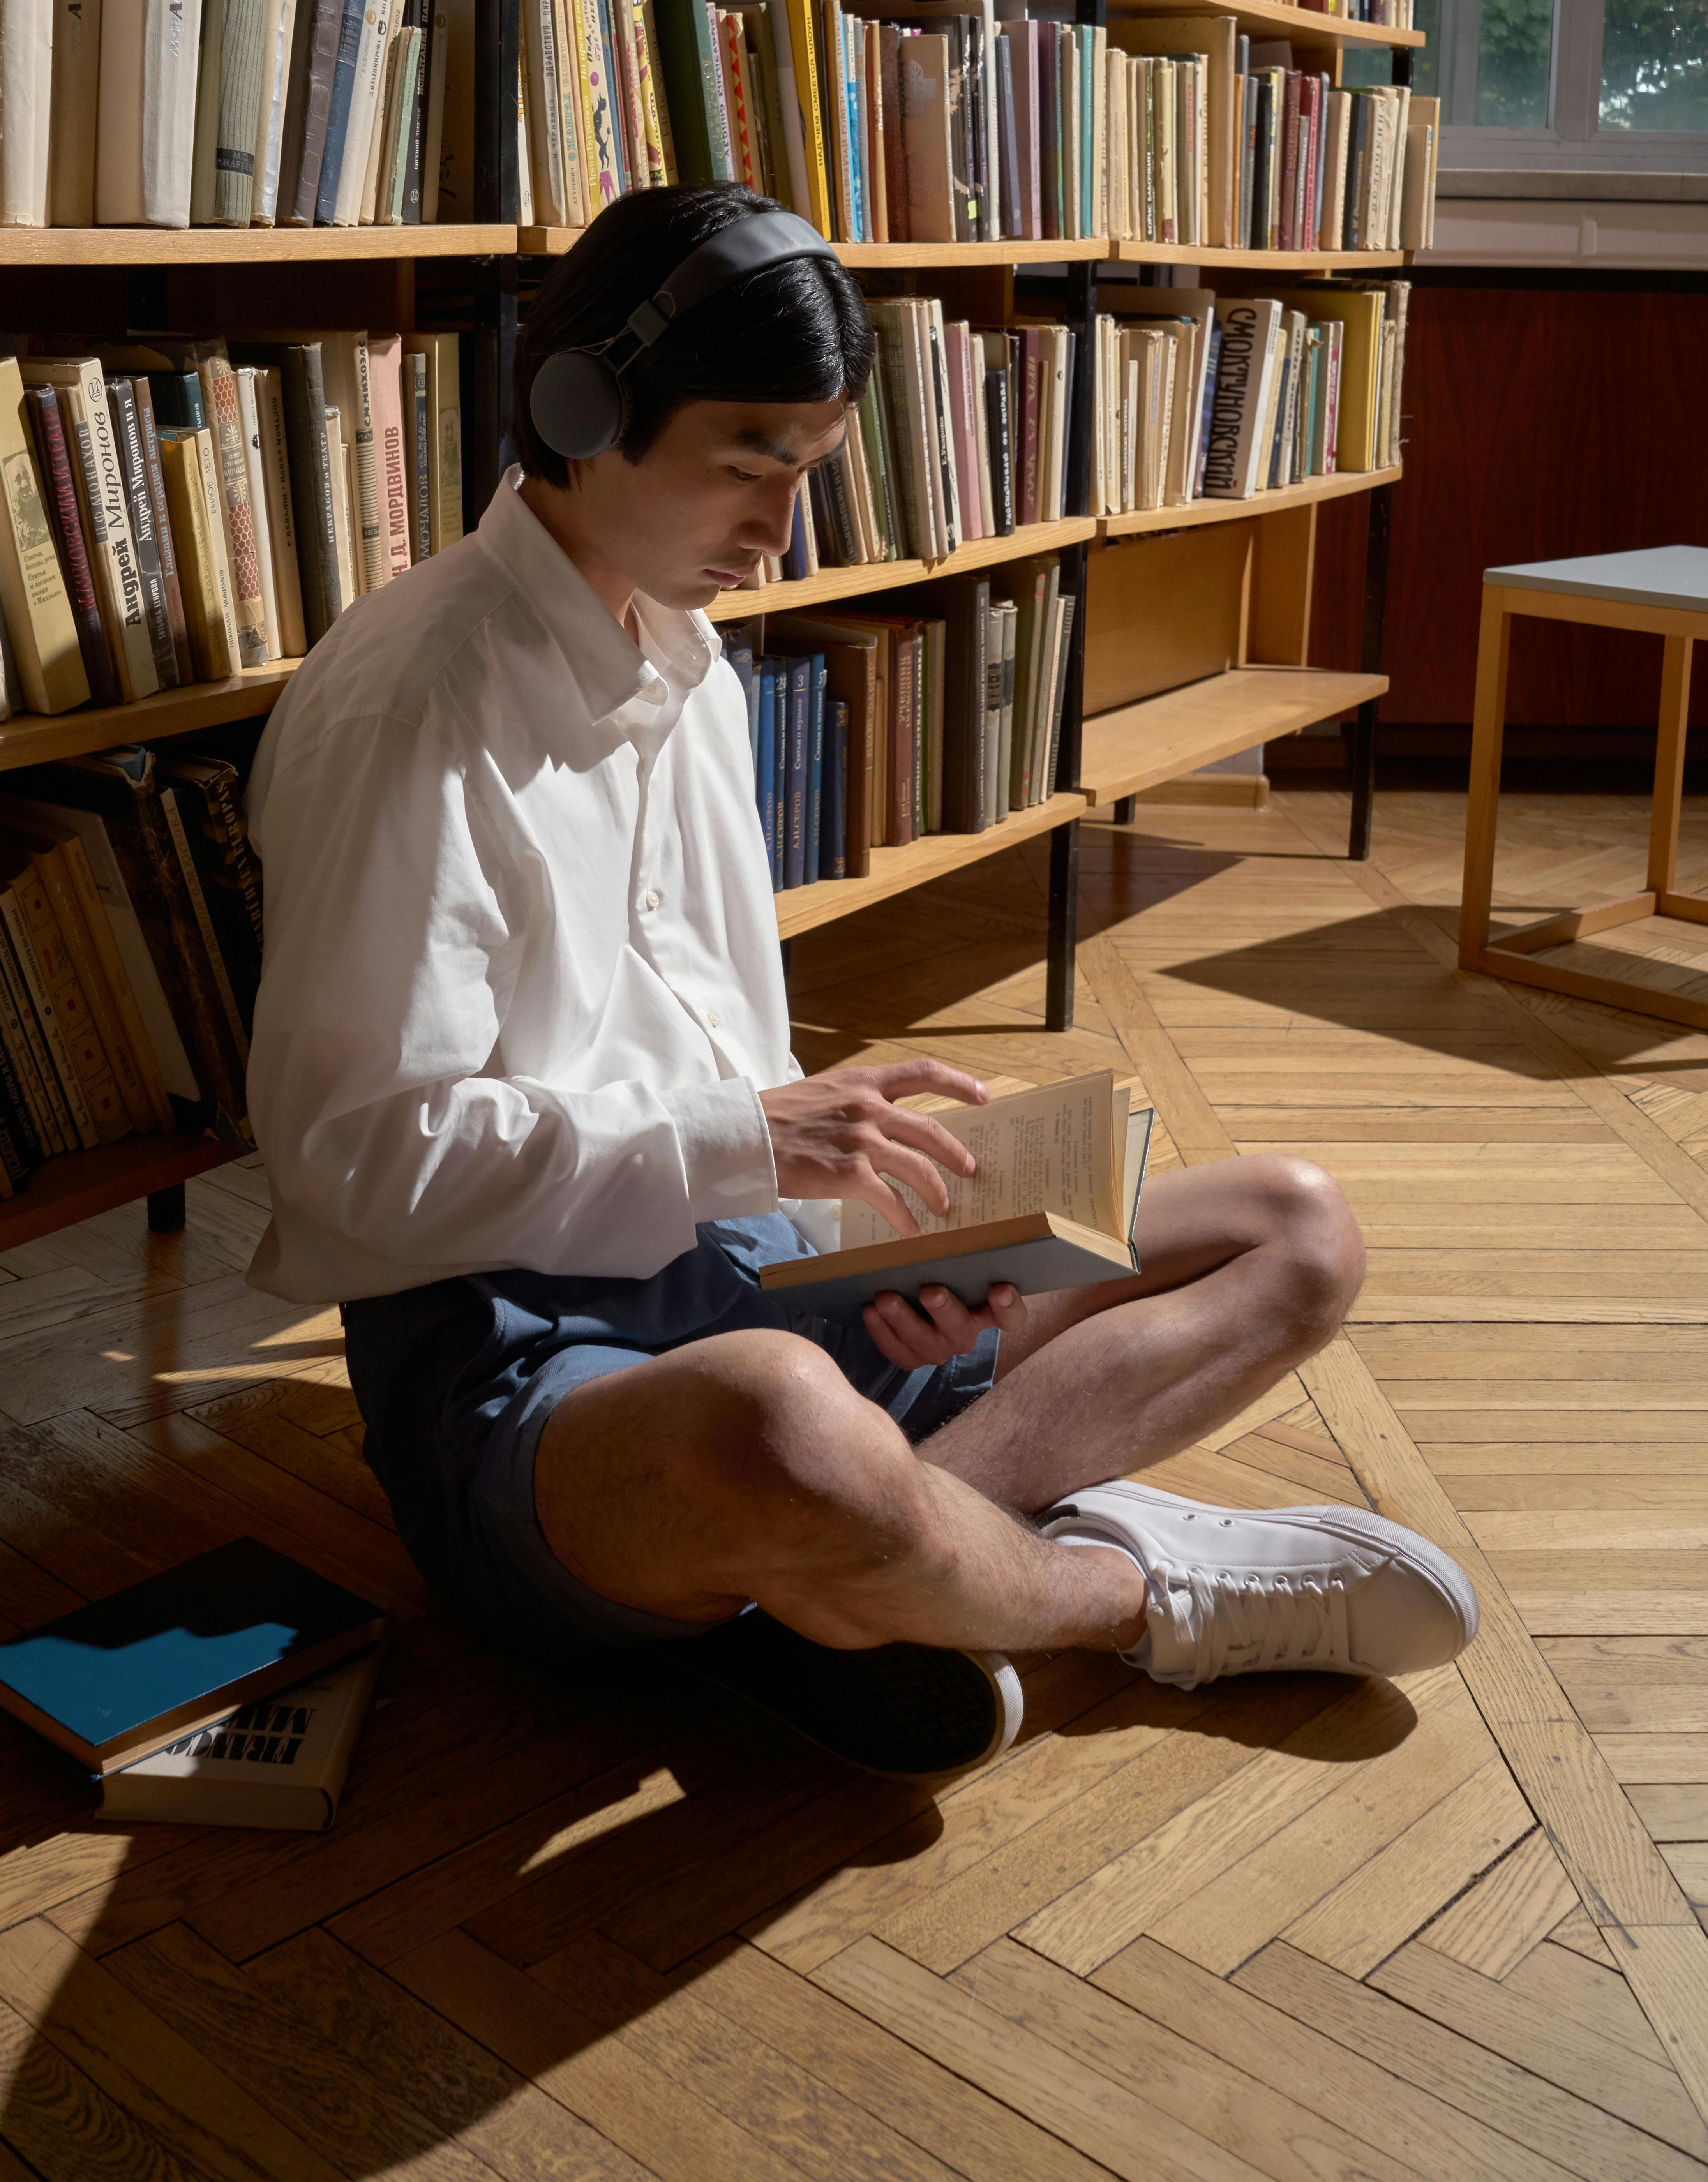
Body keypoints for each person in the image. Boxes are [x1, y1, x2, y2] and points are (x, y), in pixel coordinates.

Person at [244, 187, 1475, 1776]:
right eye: (750, 459)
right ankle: (1114, 1589)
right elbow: (352, 1162)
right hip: (526, 1357)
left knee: (1295, 1227)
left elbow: (720, 1081)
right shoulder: (419, 707)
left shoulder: (685, 656)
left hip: (748, 1248)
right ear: (580, 410)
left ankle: (871, 1574)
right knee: (774, 1414)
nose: (780, 524)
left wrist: (860, 1214)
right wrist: (750, 1138)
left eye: (807, 472)